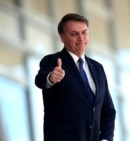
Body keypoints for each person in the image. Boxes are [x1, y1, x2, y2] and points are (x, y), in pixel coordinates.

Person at [35, 13, 116, 141]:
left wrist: (106, 138)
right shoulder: (53, 61)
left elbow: (108, 110)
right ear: (62, 37)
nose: (81, 38)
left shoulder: (98, 68)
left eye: (84, 33)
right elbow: (40, 80)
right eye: (74, 34)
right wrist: (51, 78)